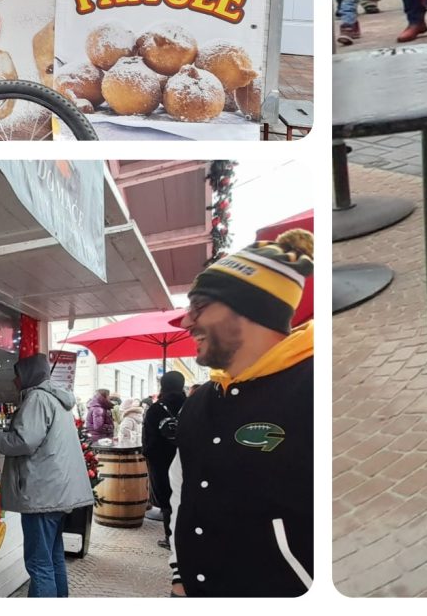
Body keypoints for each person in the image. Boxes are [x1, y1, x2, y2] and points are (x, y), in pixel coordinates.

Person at [167, 230, 314, 597]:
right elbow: (180, 494)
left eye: (198, 306)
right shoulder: (199, 403)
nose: (187, 322)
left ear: (248, 308)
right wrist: (179, 576)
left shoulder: (316, 386)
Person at [0, 353, 96, 598]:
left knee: (38, 563)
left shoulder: (37, 398)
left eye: (18, 374)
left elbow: (23, 441)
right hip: (57, 492)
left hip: (42, 494)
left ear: (29, 375)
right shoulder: (57, 399)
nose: (14, 380)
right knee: (53, 557)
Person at [141, 370, 185, 549]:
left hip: (161, 461)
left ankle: (170, 536)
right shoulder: (191, 405)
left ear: (163, 385)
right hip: (186, 459)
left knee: (167, 498)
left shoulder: (156, 408)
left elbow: (148, 441)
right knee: (184, 497)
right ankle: (184, 536)